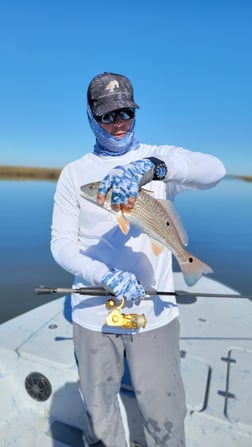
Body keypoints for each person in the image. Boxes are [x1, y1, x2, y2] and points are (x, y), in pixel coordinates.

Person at [51, 72, 226, 447]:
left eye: (125, 113)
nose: (118, 124)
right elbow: (61, 245)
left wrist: (155, 167)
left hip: (156, 310)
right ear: (91, 117)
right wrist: (103, 274)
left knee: (164, 412)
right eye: (107, 116)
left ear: (134, 112)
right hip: (93, 310)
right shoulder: (75, 175)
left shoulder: (158, 159)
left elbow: (216, 170)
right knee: (99, 415)